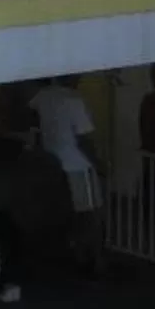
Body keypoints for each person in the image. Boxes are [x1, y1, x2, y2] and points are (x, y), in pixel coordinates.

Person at [29, 75, 104, 269]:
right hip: (78, 166)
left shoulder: (43, 96)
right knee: (91, 213)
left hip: (52, 163)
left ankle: (74, 252)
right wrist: (99, 163)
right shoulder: (74, 101)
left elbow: (32, 116)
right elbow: (84, 140)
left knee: (65, 212)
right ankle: (94, 261)